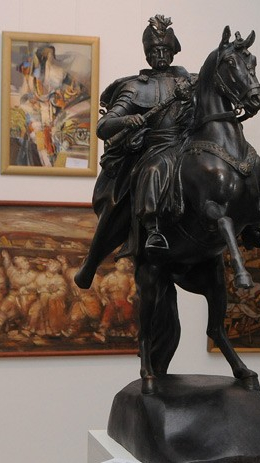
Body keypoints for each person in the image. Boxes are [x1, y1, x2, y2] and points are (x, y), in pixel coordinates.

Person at [74, 14, 195, 288]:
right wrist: (127, 120)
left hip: (189, 147)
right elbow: (104, 126)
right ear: (147, 54)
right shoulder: (135, 87)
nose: (160, 56)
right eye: (154, 51)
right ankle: (140, 235)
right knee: (149, 172)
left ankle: (249, 225)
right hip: (155, 148)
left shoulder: (190, 81)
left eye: (165, 50)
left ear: (173, 51)